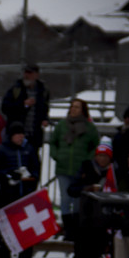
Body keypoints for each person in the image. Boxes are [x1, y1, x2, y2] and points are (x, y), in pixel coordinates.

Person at [49, 97, 100, 240]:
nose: (74, 109)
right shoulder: (61, 126)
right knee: (65, 199)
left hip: (80, 170)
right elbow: (53, 142)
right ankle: (68, 231)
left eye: (77, 107)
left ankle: (77, 231)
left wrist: (87, 161)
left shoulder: (90, 128)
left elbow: (95, 145)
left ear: (83, 110)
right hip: (63, 168)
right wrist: (56, 155)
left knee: (78, 201)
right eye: (72, 106)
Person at [67, 138, 118, 258]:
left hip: (103, 219)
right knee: (80, 252)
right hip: (85, 216)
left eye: (105, 156)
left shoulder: (114, 172)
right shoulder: (86, 167)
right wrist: (87, 189)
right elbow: (71, 189)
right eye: (99, 155)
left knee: (96, 254)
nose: (101, 159)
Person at [0, 62, 50, 154]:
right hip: (16, 135)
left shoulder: (43, 91)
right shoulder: (16, 89)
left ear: (36, 75)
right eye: (25, 72)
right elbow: (5, 108)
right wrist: (23, 105)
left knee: (33, 163)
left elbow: (44, 110)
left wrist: (45, 119)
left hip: (34, 136)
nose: (26, 75)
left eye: (30, 73)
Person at [0, 121, 40, 199]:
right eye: (18, 134)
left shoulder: (29, 149)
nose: (21, 137)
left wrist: (32, 178)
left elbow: (35, 166)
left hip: (26, 190)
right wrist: (9, 175)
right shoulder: (2, 149)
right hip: (8, 193)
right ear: (12, 135)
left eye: (22, 134)